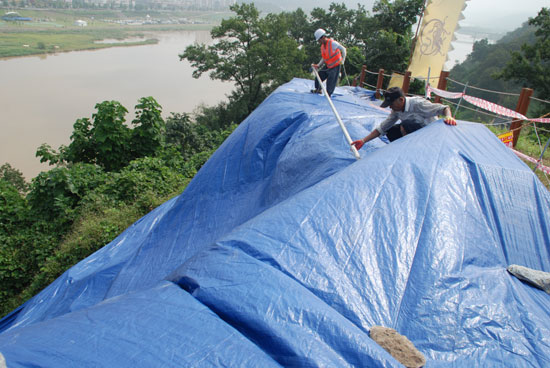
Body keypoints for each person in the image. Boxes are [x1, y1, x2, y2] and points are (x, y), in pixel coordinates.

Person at [351, 86, 457, 149]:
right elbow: (383, 127)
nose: (390, 107)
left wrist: (449, 117)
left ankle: (413, 150)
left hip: (429, 136)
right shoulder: (396, 110)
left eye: (391, 104)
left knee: (406, 125)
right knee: (391, 131)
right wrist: (363, 140)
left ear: (401, 100)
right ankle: (402, 151)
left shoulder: (418, 104)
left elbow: (444, 108)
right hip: (415, 134)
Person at [311, 28, 346, 97]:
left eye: (319, 40)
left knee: (331, 80)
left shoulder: (333, 43)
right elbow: (324, 58)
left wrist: (343, 60)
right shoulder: (323, 47)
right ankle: (318, 89)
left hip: (335, 66)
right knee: (320, 75)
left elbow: (343, 49)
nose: (319, 42)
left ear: (323, 37)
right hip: (328, 65)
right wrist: (318, 65)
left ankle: (328, 94)